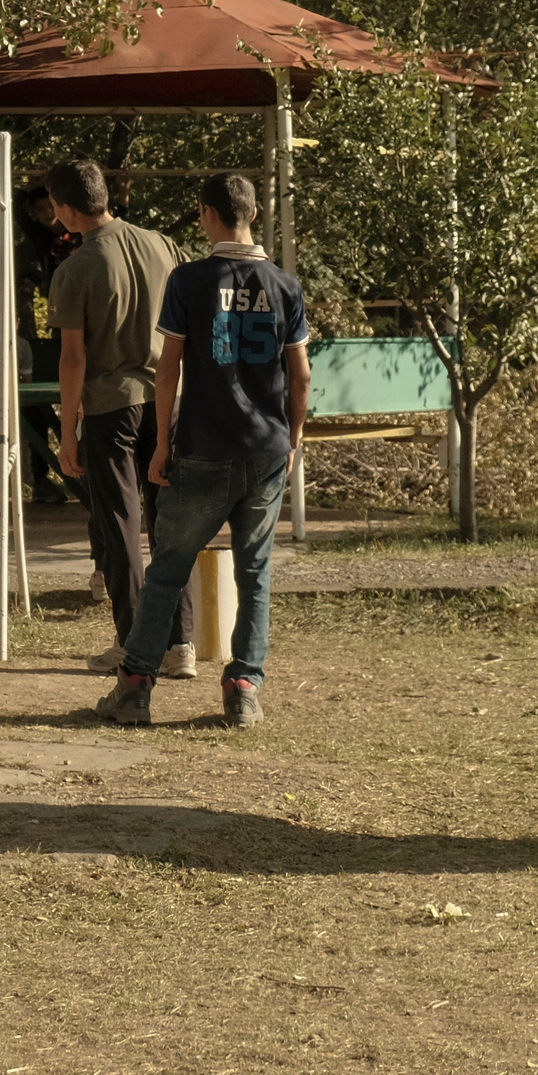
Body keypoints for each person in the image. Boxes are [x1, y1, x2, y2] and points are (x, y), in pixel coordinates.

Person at [99, 173, 310, 729]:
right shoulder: (285, 285)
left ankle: (135, 685)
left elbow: (168, 365)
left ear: (207, 215)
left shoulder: (188, 280)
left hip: (202, 447)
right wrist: (293, 436)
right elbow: (301, 374)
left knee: (169, 569)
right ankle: (243, 686)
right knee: (254, 572)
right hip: (266, 448)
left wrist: (162, 442)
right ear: (254, 214)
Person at [48, 158, 196, 675]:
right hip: (169, 397)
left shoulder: (75, 269)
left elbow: (73, 359)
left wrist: (68, 431)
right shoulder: (163, 244)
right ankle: (180, 643)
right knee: (169, 523)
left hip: (112, 404)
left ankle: (135, 643)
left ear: (66, 209)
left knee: (120, 525)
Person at [15, 185, 84, 508]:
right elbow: (21, 216)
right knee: (43, 402)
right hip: (62, 315)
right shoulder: (45, 239)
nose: (46, 215)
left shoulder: (82, 232)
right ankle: (46, 476)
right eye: (40, 211)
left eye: (50, 208)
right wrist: (29, 189)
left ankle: (85, 466)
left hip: (90, 310)